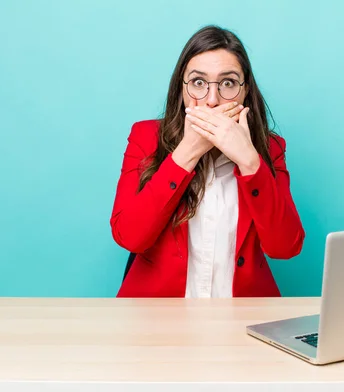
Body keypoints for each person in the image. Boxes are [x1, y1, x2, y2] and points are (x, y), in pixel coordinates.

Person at [110, 25, 305, 298]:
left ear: (245, 90)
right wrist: (187, 152)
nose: (212, 101)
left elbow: (285, 247)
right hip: (157, 320)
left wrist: (250, 161)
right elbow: (129, 236)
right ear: (182, 89)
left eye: (227, 83)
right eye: (199, 83)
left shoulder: (270, 149)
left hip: (243, 319)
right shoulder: (146, 138)